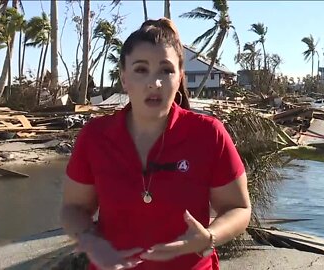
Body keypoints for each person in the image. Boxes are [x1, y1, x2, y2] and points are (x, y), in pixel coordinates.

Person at [61, 18, 251, 270]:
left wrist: (209, 237)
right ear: (124, 77)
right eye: (141, 69)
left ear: (180, 76)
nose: (155, 82)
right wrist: (90, 240)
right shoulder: (95, 136)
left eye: (166, 70)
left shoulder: (208, 134)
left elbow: (238, 208)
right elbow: (74, 208)